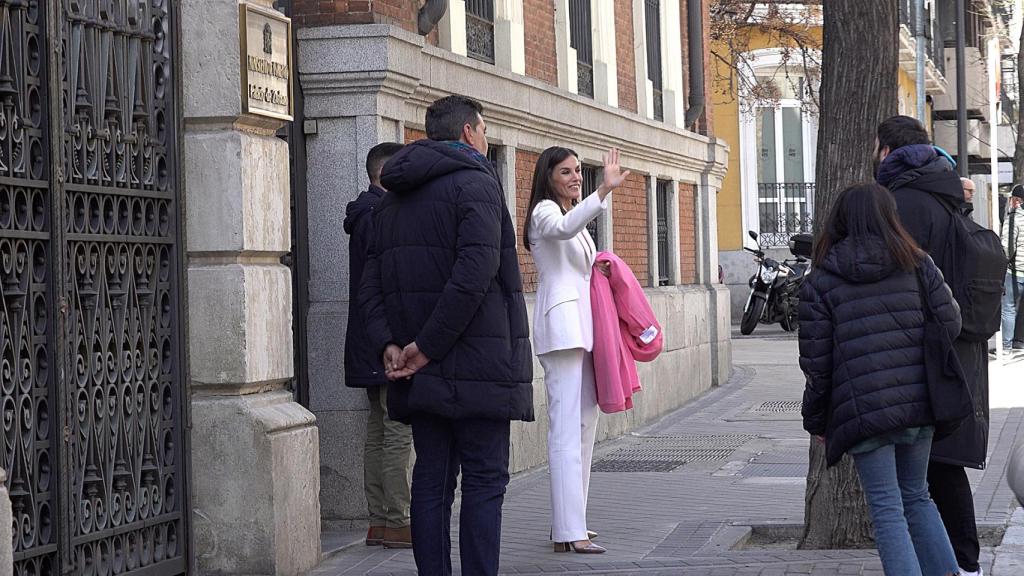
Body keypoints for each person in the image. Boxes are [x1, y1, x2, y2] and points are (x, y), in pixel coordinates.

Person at [359, 95, 533, 576]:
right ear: (468, 133)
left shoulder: (393, 197)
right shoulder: (478, 183)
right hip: (476, 364)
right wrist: (424, 348)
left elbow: (369, 282)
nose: (484, 138)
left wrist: (391, 345)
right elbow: (476, 273)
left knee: (432, 479)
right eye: (483, 129)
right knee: (483, 478)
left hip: (420, 367)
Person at [799, 183, 961, 576]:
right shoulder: (917, 264)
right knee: (918, 497)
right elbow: (951, 322)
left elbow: (816, 364)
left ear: (839, 220)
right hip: (919, 402)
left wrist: (816, 421)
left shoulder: (820, 279)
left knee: (888, 510)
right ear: (890, 216)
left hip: (862, 410)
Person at [875, 115, 989, 576]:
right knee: (943, 464)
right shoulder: (948, 195)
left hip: (921, 348)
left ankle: (954, 562)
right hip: (958, 344)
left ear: (885, 151)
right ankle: (963, 562)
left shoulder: (901, 204)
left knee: (922, 472)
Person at [522, 147, 630, 554]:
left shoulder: (570, 214)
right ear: (547, 176)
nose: (574, 177)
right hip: (562, 330)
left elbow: (575, 251)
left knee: (585, 427)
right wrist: (604, 188)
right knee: (566, 430)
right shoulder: (544, 213)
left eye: (578, 171)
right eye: (565, 171)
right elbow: (565, 229)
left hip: (582, 330)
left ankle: (573, 521)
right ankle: (569, 531)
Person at [343, 142, 413, 548]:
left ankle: (380, 521)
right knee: (396, 427)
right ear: (387, 175)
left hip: (367, 335)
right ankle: (398, 521)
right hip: (387, 335)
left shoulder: (362, 212)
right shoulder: (383, 215)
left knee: (378, 427)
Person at [1002, 185, 1024, 352]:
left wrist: (1004, 261)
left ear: (1016, 200)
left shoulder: (1014, 217)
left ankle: (1007, 346)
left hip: (1015, 270)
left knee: (1009, 307)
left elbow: (1007, 245)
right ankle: (1020, 341)